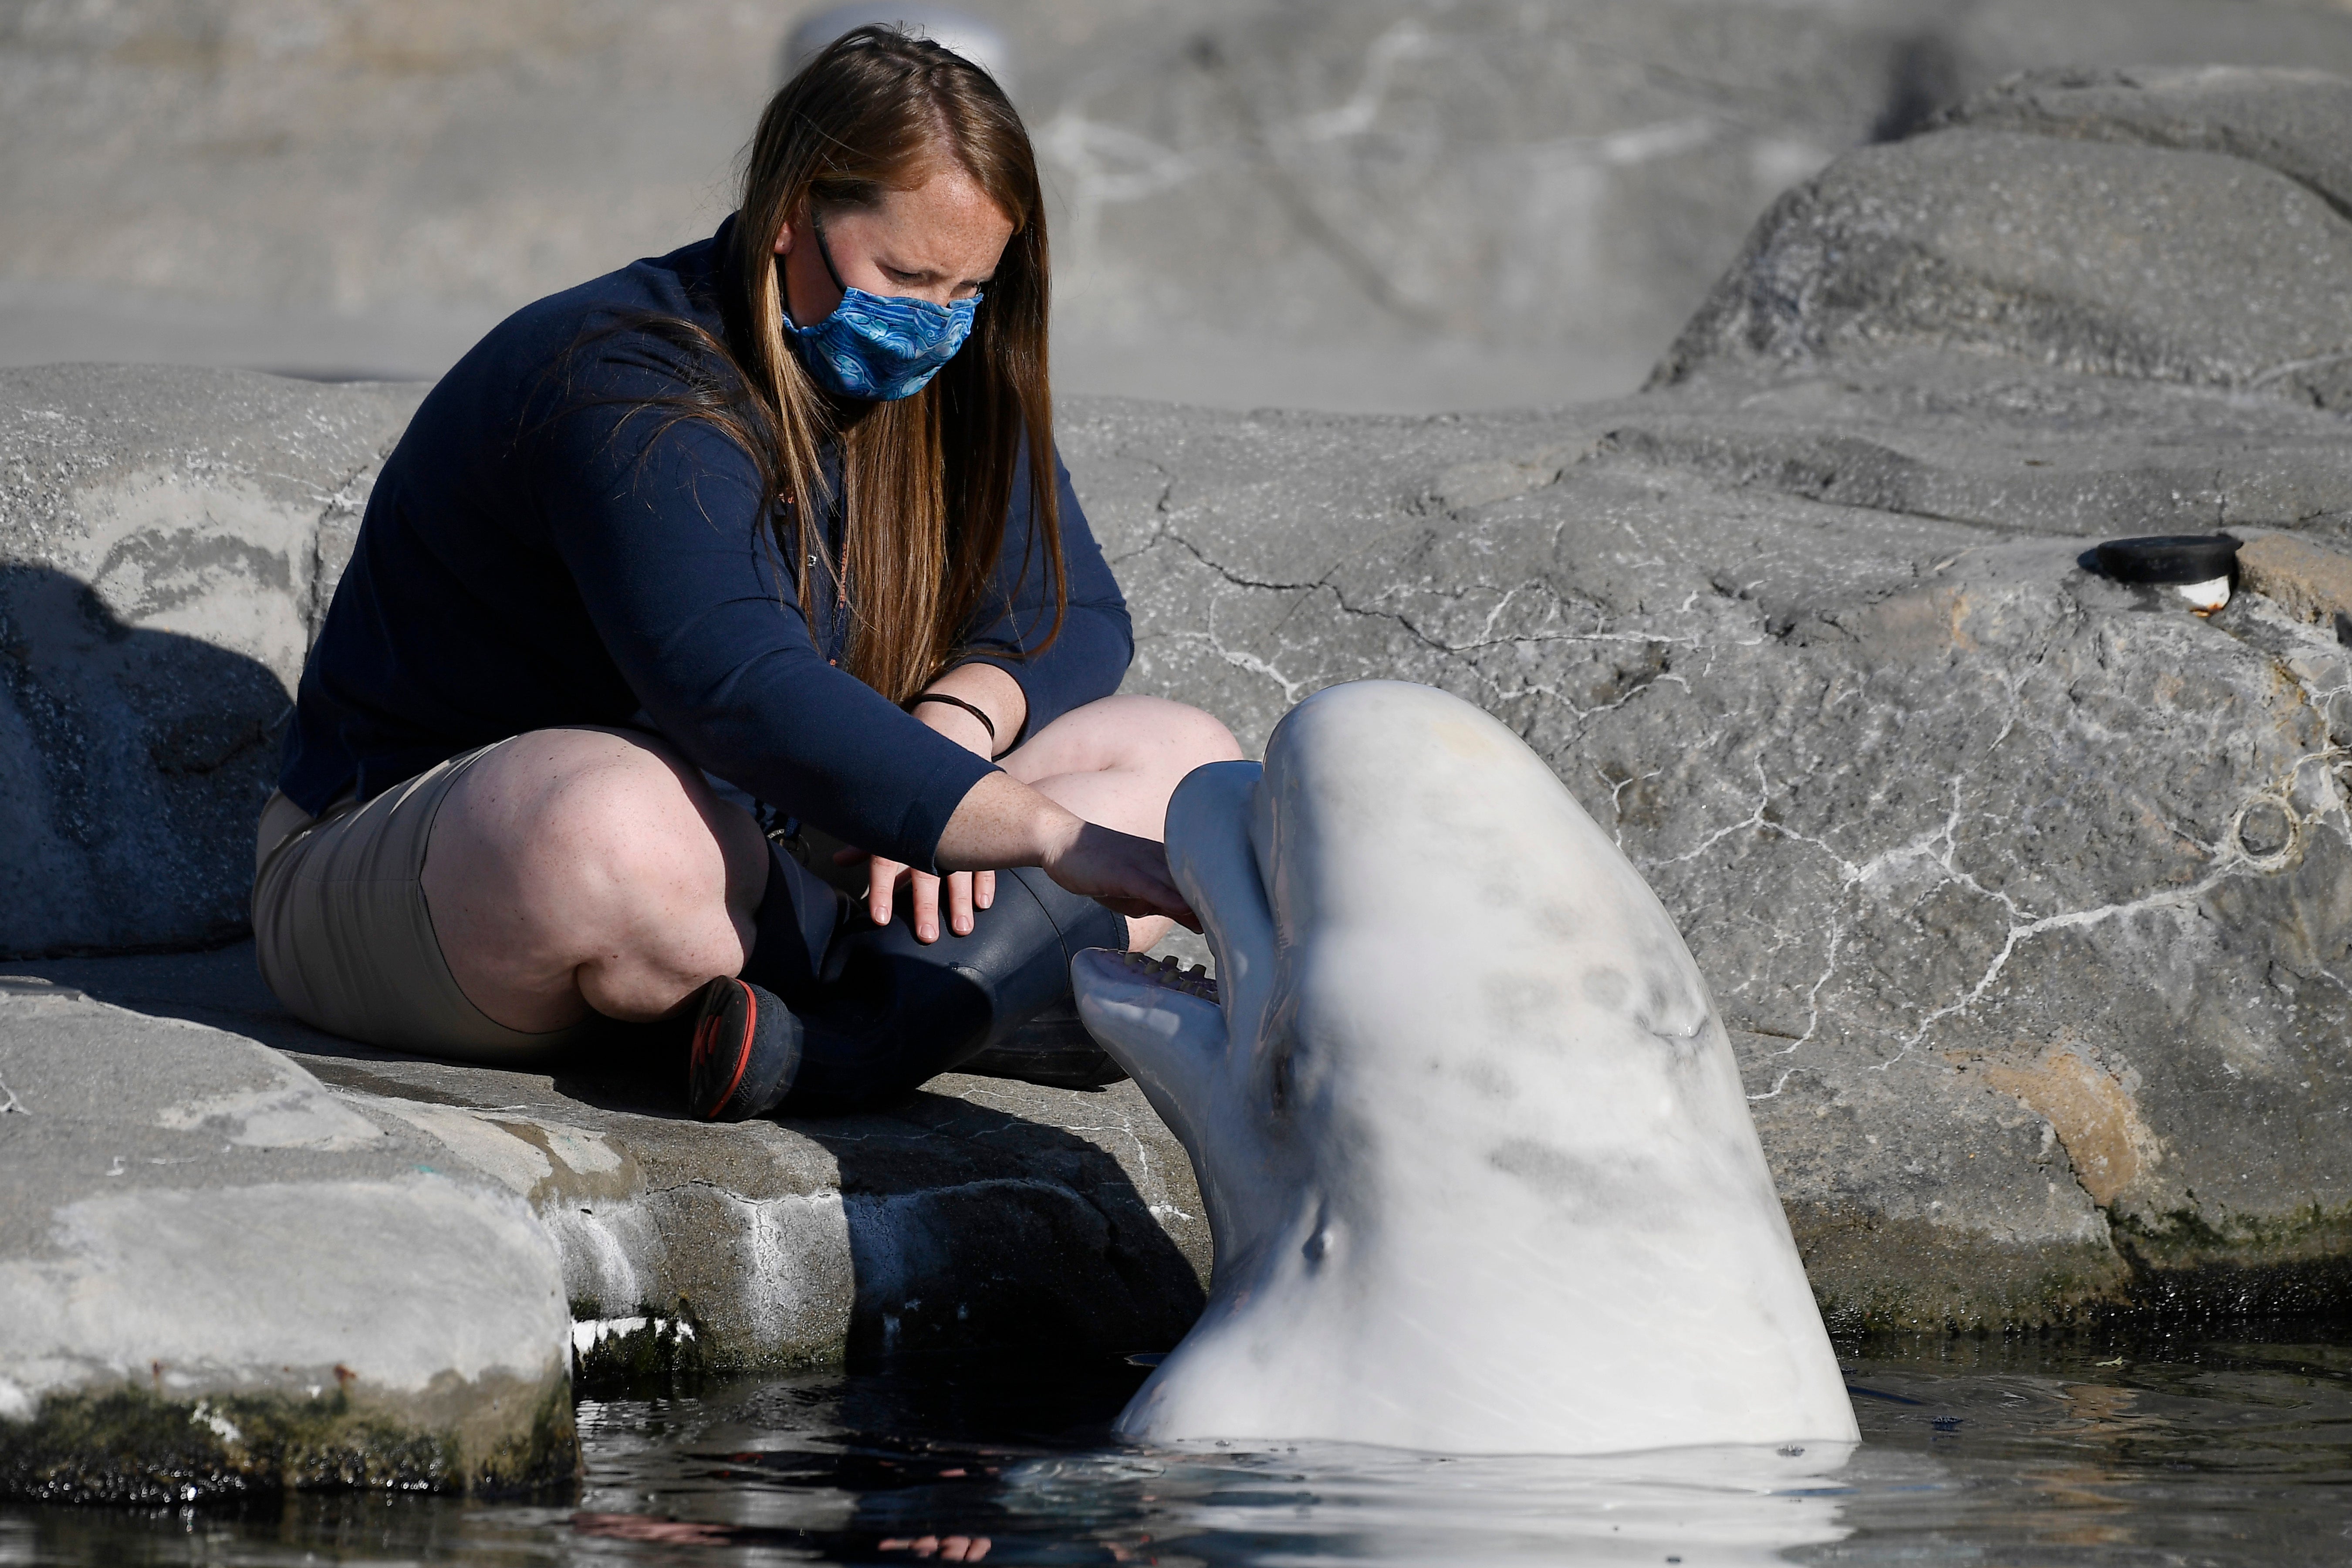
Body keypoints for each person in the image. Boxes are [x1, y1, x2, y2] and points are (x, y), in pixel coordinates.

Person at [251, 25, 1240, 1121]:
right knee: (618, 827)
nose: (935, 326)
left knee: (1181, 757)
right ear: (789, 214)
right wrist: (1043, 836)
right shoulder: (624, 375)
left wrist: (949, 735)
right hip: (455, 859)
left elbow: (1070, 612)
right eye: (905, 276)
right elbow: (734, 688)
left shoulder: (949, 368)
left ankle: (847, 1036)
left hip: (779, 852)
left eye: (968, 289)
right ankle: (961, 1000)